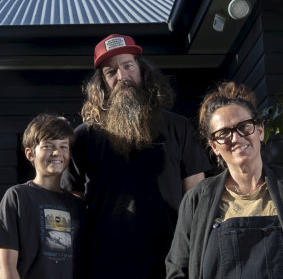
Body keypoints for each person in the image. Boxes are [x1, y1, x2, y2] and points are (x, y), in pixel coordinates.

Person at [61, 34, 211, 279]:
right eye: (111, 72)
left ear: (142, 70)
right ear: (101, 84)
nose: (121, 76)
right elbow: (71, 207)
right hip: (103, 265)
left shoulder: (178, 127)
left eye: (127, 65)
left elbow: (198, 198)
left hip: (171, 263)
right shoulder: (83, 138)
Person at [165, 82, 283, 278]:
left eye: (244, 127)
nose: (236, 138)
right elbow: (178, 270)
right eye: (224, 134)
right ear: (215, 147)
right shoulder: (197, 199)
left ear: (260, 130)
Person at [0, 114, 85, 279]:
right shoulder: (17, 197)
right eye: (48, 146)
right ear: (30, 154)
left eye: (63, 146)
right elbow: (6, 267)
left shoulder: (78, 206)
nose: (56, 152)